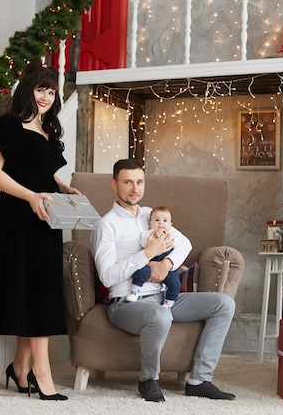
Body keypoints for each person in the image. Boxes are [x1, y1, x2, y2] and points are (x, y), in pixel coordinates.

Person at [90, 158, 236, 402]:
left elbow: (185, 243)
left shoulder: (152, 215)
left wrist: (165, 264)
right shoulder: (106, 225)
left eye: (139, 182)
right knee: (160, 315)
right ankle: (148, 380)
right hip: (126, 303)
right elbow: (106, 275)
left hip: (164, 298)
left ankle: (200, 380)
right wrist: (145, 255)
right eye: (127, 182)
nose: (135, 188)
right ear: (114, 184)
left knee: (224, 304)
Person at [0, 60, 79, 401]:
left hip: (47, 217)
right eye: (41, 89)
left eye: (51, 91)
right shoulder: (10, 124)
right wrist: (30, 196)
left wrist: (63, 187)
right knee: (35, 293)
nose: (46, 96)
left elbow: (41, 172)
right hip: (20, 217)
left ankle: (19, 369)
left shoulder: (49, 130)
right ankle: (42, 373)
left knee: (38, 291)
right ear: (27, 89)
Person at [126, 206, 182, 310]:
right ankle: (135, 291)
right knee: (141, 271)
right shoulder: (147, 234)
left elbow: (180, 244)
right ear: (150, 224)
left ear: (170, 225)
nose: (161, 223)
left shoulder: (172, 234)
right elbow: (143, 242)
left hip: (165, 264)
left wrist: (171, 239)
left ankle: (168, 303)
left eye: (165, 221)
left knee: (175, 283)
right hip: (150, 261)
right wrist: (153, 236)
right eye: (157, 220)